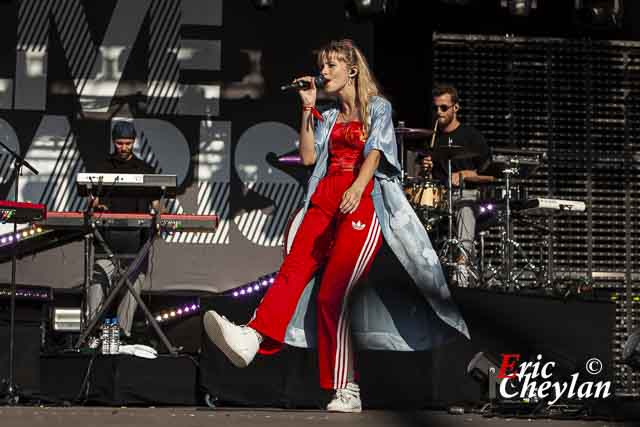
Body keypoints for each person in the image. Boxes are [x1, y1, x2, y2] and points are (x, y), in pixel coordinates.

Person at [203, 40, 469, 413]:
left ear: (352, 69)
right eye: (322, 66)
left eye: (330, 66)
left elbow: (376, 152)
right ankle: (252, 336)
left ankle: (347, 388)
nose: (323, 72)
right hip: (324, 197)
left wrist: (358, 187)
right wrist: (308, 108)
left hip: (362, 198)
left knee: (333, 295)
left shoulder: (378, 107)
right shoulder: (327, 116)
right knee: (292, 270)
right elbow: (310, 157)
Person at [86, 120, 158, 339]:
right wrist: (95, 204)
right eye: (120, 143)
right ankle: (93, 330)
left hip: (136, 240)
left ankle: (122, 332)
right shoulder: (102, 167)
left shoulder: (145, 169)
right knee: (99, 278)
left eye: (127, 143)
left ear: (134, 142)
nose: (124, 147)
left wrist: (160, 212)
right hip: (106, 237)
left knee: (135, 281)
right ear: (113, 142)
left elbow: (157, 202)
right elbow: (91, 201)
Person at [418, 85, 494, 285]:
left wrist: (465, 174)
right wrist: (425, 169)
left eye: (444, 108)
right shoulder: (433, 138)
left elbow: (491, 176)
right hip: (441, 197)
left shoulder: (471, 137)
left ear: (456, 108)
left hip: (467, 194)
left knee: (465, 207)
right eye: (436, 108)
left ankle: (461, 268)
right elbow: (426, 178)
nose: (439, 113)